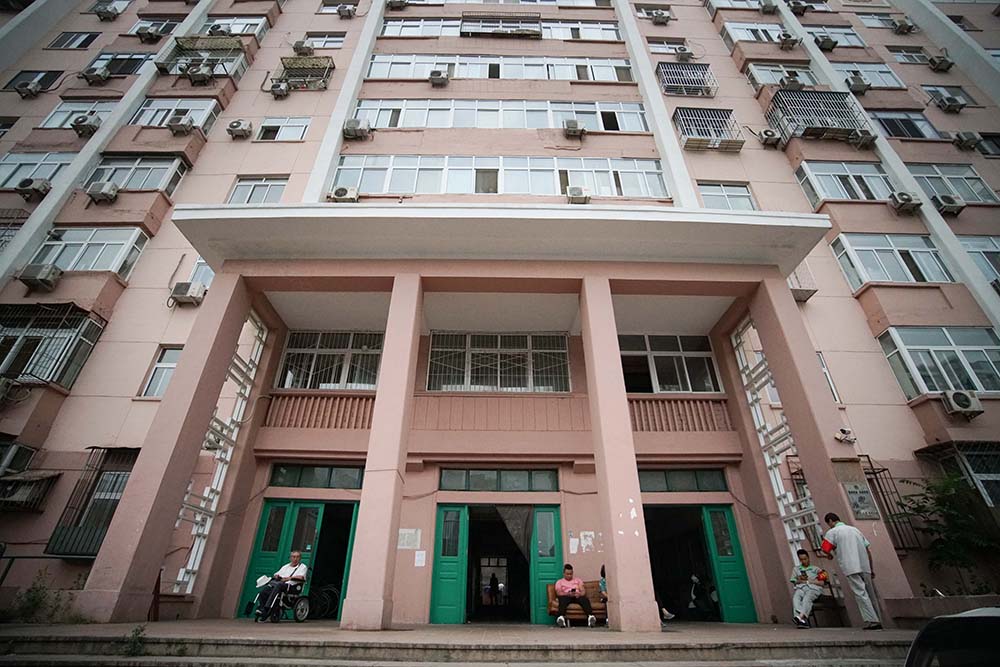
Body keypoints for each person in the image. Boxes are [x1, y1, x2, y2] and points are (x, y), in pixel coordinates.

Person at [819, 512, 882, 630]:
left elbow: (825, 548)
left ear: (830, 521)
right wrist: (871, 567)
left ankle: (873, 621)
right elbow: (867, 549)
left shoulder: (833, 532)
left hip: (850, 567)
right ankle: (878, 618)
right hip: (865, 565)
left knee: (860, 593)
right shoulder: (855, 530)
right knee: (871, 593)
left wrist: (830, 555)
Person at [255, 550, 308, 621]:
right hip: (279, 584)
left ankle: (267, 608)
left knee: (279, 585)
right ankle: (261, 608)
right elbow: (276, 574)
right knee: (266, 588)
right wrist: (277, 576)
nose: (295, 559)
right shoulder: (285, 566)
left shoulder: (303, 567)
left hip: (292, 586)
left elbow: (301, 577)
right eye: (293, 557)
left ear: (300, 558)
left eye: (297, 557)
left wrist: (289, 578)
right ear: (290, 558)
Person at [789, 548, 827, 628]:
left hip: (813, 588)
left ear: (808, 558)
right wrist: (800, 580)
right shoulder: (796, 569)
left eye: (805, 559)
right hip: (801, 587)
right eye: (801, 560)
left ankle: (800, 617)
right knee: (796, 598)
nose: (804, 561)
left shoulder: (816, 569)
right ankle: (801, 621)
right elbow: (794, 581)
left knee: (807, 598)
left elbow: (822, 582)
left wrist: (811, 581)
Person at [554, 563, 597, 628]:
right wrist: (568, 594)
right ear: (564, 573)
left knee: (584, 599)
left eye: (571, 574)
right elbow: (558, 593)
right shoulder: (559, 582)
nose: (569, 576)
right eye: (567, 574)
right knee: (562, 599)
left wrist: (579, 594)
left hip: (577, 596)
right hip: (566, 596)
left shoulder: (578, 580)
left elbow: (583, 592)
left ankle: (591, 617)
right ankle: (561, 618)